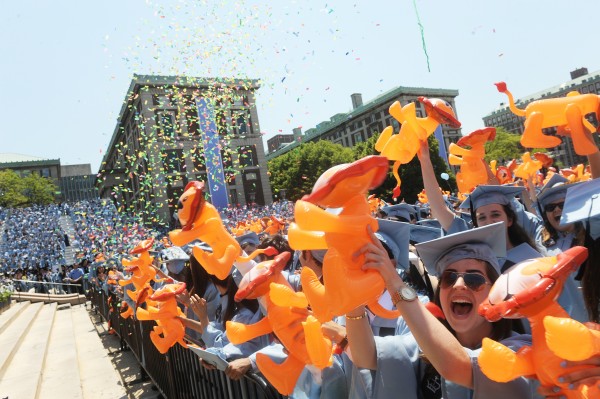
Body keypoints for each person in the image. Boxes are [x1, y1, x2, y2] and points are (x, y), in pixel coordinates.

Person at [346, 222, 534, 399]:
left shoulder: (521, 353)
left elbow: (457, 365)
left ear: (495, 292)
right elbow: (367, 356)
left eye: (474, 279)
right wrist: (353, 298)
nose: (459, 285)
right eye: (449, 278)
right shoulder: (423, 348)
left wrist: (394, 282)